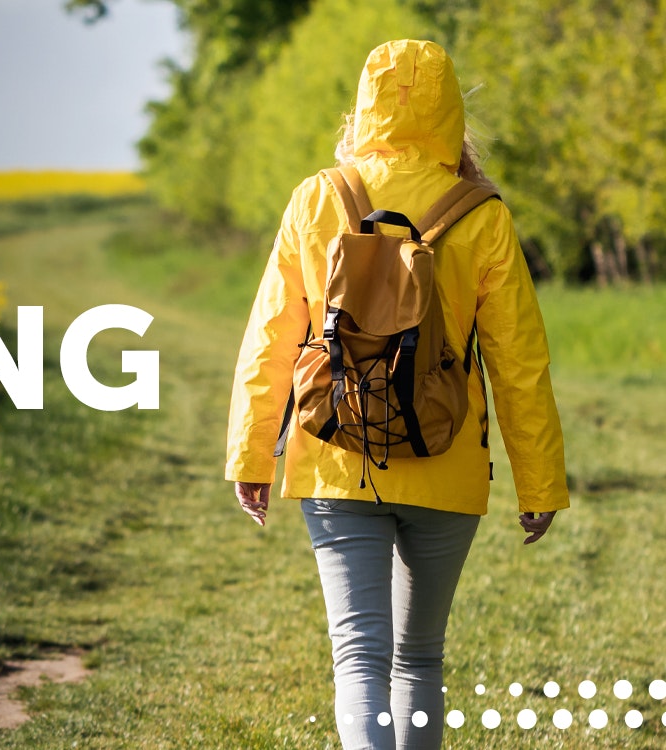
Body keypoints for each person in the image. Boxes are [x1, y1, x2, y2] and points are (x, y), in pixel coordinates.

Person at [223, 39, 570, 750]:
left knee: (359, 658)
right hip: (445, 461)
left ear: (365, 110)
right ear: (449, 114)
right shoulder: (482, 214)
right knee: (419, 658)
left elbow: (271, 340)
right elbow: (519, 363)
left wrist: (252, 457)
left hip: (335, 456)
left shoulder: (320, 198)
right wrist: (540, 483)